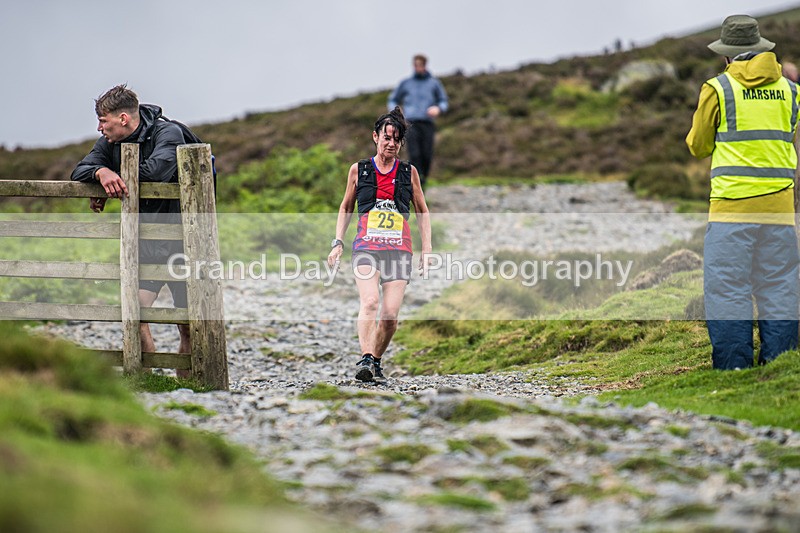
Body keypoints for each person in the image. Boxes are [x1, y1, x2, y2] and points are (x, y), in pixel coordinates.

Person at [686, 15, 800, 370]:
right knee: (780, 285)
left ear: (727, 55)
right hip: (780, 207)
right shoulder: (791, 91)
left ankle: (734, 369)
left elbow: (698, 146)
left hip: (732, 207)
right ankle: (780, 365)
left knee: (728, 287)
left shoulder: (718, 88)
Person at [71, 84, 191, 376]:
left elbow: (155, 172)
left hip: (184, 242)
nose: (99, 128)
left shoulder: (169, 133)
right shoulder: (109, 143)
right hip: (146, 243)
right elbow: (79, 170)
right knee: (134, 314)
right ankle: (146, 380)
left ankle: (193, 385)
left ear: (123, 118)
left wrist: (113, 179)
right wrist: (100, 173)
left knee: (189, 324)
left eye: (103, 121)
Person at [328, 107, 432, 383]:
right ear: (375, 137)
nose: (391, 144)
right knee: (371, 301)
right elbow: (346, 206)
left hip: (399, 250)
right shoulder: (359, 170)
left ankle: (375, 360)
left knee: (390, 316)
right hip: (366, 248)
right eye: (387, 138)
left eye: (397, 140)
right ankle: (365, 358)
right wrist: (338, 242)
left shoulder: (409, 172)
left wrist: (427, 249)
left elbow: (422, 210)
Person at [388, 54, 449, 188]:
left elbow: (443, 101)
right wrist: (396, 111)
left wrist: (438, 108)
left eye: (420, 65)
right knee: (414, 154)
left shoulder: (434, 83)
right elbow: (392, 99)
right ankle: (416, 184)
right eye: (416, 65)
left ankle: (423, 180)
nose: (418, 67)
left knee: (426, 155)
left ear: (425, 65)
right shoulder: (406, 83)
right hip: (410, 123)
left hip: (427, 123)